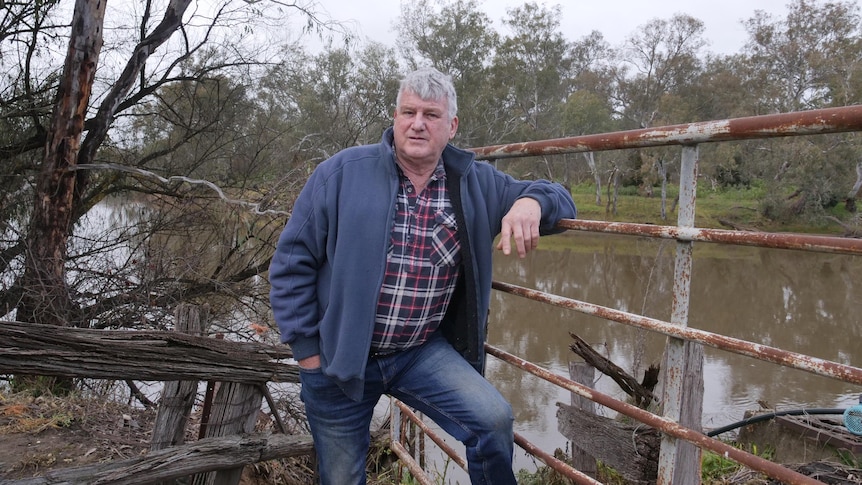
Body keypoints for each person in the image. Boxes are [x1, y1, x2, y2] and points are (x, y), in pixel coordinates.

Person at [269, 67, 577, 484]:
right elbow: (291, 263)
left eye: (431, 115)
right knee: (341, 477)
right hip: (339, 358)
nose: (417, 124)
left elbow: (560, 199)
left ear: (451, 126)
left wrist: (531, 203)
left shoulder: (475, 183)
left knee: (493, 420)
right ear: (394, 117)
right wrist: (307, 351)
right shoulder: (341, 174)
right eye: (408, 112)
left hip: (420, 353)